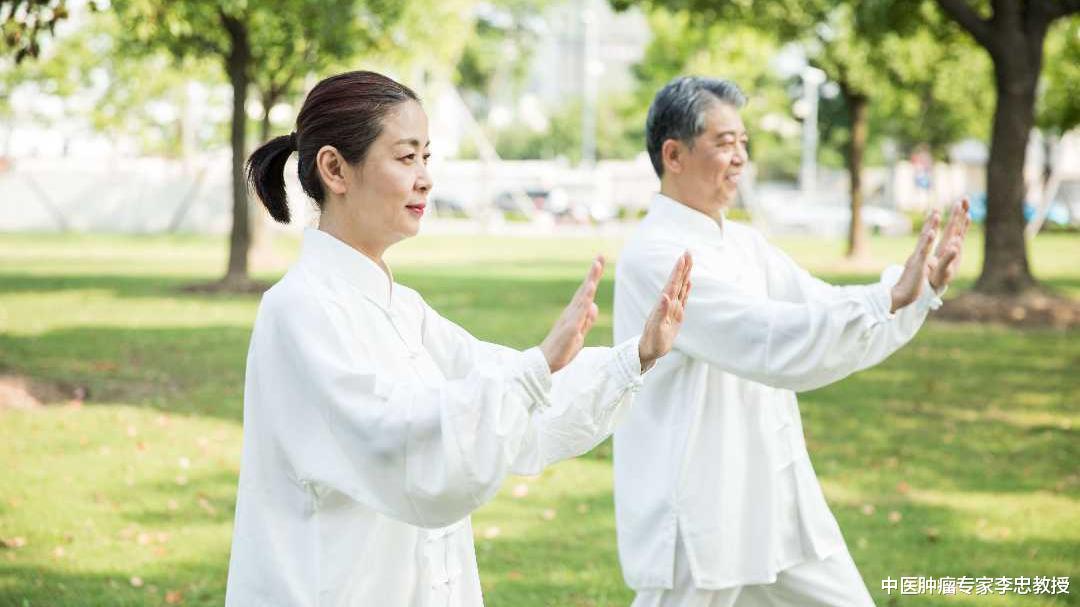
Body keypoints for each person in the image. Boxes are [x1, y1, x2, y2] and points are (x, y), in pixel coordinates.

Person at [224, 70, 693, 607]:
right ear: (335, 169)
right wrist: (536, 368)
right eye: (406, 158)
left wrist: (635, 356)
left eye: (427, 157)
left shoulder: (404, 310)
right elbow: (396, 440)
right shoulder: (298, 310)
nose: (425, 179)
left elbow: (511, 396)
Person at [612, 76, 970, 607]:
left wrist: (915, 294)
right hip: (699, 509)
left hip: (775, 498)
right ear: (674, 154)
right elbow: (768, 340)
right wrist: (887, 298)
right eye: (724, 143)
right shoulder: (658, 256)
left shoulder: (743, 244)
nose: (740, 159)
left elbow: (819, 309)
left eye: (743, 143)